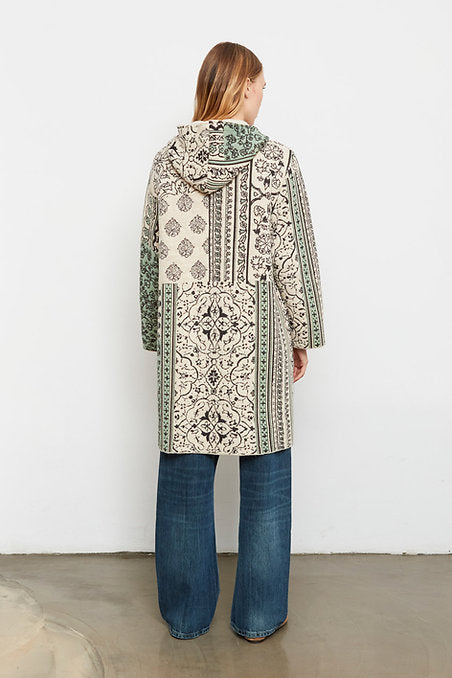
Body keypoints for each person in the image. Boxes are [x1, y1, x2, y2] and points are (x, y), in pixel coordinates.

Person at [139, 41, 326, 641]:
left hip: (186, 341)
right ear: (243, 86)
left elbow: (150, 255)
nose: (264, 95)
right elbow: (293, 254)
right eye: (262, 85)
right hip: (258, 340)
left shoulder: (167, 161)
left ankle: (186, 615)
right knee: (266, 481)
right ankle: (259, 616)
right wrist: (303, 332)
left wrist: (157, 333)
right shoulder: (277, 162)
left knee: (184, 483)